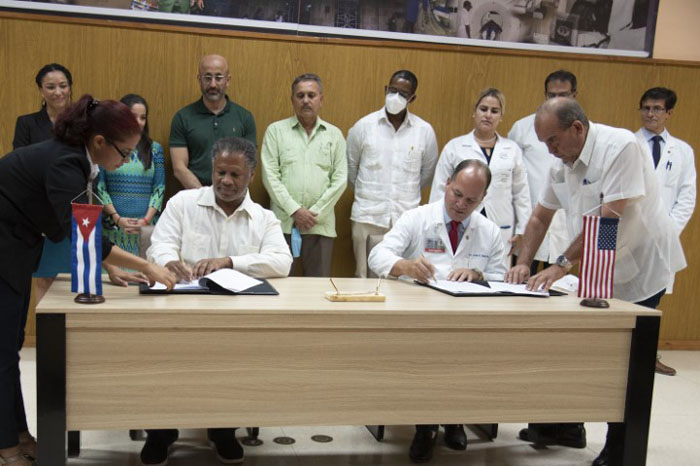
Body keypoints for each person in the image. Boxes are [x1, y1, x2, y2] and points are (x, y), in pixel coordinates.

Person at [505, 98, 685, 466]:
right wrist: (523, 263)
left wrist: (560, 264)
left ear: (577, 129)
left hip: (641, 267)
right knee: (576, 348)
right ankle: (566, 426)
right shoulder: (564, 161)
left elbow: (608, 217)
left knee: (623, 363)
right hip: (598, 267)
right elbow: (540, 217)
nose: (549, 150)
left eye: (553, 141)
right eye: (544, 144)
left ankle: (620, 446)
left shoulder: (621, 147)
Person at [0, 95, 176, 466]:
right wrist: (147, 268)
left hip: (16, 244)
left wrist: (108, 265)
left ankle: (17, 433)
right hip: (5, 245)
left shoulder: (77, 158)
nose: (127, 160)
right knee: (1, 350)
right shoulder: (66, 162)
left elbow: (84, 221)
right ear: (99, 141)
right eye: (125, 152)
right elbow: (82, 233)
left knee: (9, 347)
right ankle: (6, 445)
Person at [143, 137, 291, 466]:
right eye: (219, 172)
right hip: (181, 311)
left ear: (251, 175)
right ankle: (160, 431)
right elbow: (160, 243)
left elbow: (282, 262)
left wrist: (231, 262)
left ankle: (223, 429)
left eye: (234, 175)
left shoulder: (264, 218)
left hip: (236, 318)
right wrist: (169, 262)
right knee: (162, 361)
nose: (225, 180)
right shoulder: (183, 202)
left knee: (235, 364)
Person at [369, 159, 505, 463]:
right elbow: (377, 255)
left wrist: (479, 275)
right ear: (447, 184)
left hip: (469, 321)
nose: (460, 204)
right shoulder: (417, 218)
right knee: (430, 356)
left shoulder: (490, 231)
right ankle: (426, 427)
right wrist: (405, 266)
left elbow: (500, 276)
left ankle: (455, 419)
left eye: (471, 200)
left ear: (482, 199)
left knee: (467, 357)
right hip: (421, 319)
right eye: (456, 194)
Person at [347, 70, 438, 277]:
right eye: (393, 90)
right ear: (386, 89)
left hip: (405, 219)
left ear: (413, 98)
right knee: (364, 277)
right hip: (367, 216)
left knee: (403, 280)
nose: (396, 97)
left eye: (403, 94)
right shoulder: (364, 126)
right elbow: (351, 171)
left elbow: (426, 175)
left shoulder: (424, 131)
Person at [430, 88, 531, 266]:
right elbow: (440, 189)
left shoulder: (512, 149)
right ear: (474, 112)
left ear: (501, 116)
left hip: (501, 225)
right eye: (483, 109)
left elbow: (521, 193)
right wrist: (436, 225)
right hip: (459, 219)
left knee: (496, 274)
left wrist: (523, 230)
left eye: (494, 111)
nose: (488, 115)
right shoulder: (455, 147)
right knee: (457, 269)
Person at [635, 87, 696, 377]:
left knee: (654, 298)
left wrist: (667, 230)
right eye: (646, 108)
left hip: (664, 238)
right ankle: (626, 355)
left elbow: (687, 196)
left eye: (657, 109)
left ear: (669, 112)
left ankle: (649, 356)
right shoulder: (628, 144)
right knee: (628, 297)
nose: (651, 114)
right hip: (632, 236)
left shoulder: (682, 150)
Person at [261, 73, 347, 277]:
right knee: (280, 285)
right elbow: (270, 177)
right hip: (282, 225)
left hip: (320, 226)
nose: (306, 100)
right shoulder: (276, 131)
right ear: (292, 100)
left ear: (321, 100)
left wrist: (314, 214)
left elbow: (340, 180)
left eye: (311, 95)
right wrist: (295, 211)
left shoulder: (334, 135)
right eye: (300, 96)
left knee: (317, 289)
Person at [13, 63, 75, 305]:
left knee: (78, 276)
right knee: (45, 277)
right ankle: (47, 341)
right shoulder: (27, 124)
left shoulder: (83, 124)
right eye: (50, 87)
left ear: (70, 87)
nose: (58, 92)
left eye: (63, 86)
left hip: (73, 208)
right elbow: (19, 168)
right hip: (39, 211)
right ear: (40, 90)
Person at [508, 70, 574, 276]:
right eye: (551, 95)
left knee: (560, 289)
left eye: (563, 95)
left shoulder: (580, 130)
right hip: (531, 220)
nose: (557, 100)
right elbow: (513, 178)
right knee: (520, 282)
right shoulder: (523, 128)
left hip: (566, 224)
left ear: (574, 96)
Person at [97, 94, 165, 285]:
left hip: (144, 229)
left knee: (144, 280)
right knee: (115, 284)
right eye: (133, 117)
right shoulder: (109, 147)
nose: (139, 122)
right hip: (113, 227)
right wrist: (117, 218)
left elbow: (159, 188)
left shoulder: (155, 149)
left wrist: (145, 220)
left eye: (143, 118)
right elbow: (99, 186)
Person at [170, 54, 256, 189]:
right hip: (195, 197)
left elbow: (249, 165)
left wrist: (227, 196)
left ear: (228, 80)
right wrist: (204, 196)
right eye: (207, 77)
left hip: (233, 196)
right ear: (199, 79)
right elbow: (179, 168)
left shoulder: (244, 117)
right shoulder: (182, 117)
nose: (213, 84)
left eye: (219, 77)